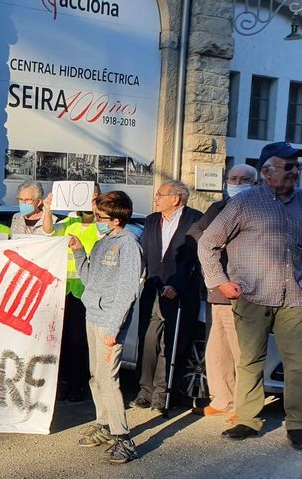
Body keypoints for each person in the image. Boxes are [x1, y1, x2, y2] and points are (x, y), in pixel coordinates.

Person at [198, 142, 302, 449]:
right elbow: (208, 244)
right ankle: (248, 419)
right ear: (267, 171)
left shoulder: (301, 203)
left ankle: (297, 423)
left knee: (298, 363)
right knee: (249, 360)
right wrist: (220, 281)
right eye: (289, 166)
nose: (295, 171)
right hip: (252, 295)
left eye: (297, 166)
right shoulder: (244, 204)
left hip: (294, 297)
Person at [69, 191, 142, 464]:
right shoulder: (103, 242)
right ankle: (105, 425)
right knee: (96, 376)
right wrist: (78, 251)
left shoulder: (128, 245)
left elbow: (127, 290)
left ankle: (124, 438)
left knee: (109, 380)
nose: (95, 220)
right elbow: (89, 279)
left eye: (99, 216)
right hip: (93, 316)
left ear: (114, 219)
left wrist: (114, 328)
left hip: (110, 322)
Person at [188, 164, 258, 423]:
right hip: (217, 288)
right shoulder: (218, 207)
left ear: (255, 182)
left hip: (243, 289)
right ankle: (222, 399)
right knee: (217, 349)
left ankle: (244, 405)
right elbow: (196, 231)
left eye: (243, 179)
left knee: (242, 351)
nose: (236, 182)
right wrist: (216, 238)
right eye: (233, 178)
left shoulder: (256, 207)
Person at [131, 179, 203, 414]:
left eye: (160, 194)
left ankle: (163, 395)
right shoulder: (152, 220)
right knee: (149, 341)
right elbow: (144, 254)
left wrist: (177, 286)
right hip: (153, 288)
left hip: (179, 292)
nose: (155, 198)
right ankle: (145, 391)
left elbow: (192, 258)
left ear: (175, 198)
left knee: (171, 344)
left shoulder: (195, 219)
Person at [53, 184, 102, 402]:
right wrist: (48, 208)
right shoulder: (68, 221)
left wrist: (96, 208)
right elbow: (49, 233)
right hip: (65, 288)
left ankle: (79, 383)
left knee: (81, 340)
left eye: (93, 196)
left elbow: (103, 236)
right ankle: (63, 381)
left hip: (87, 289)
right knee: (63, 338)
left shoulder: (102, 223)